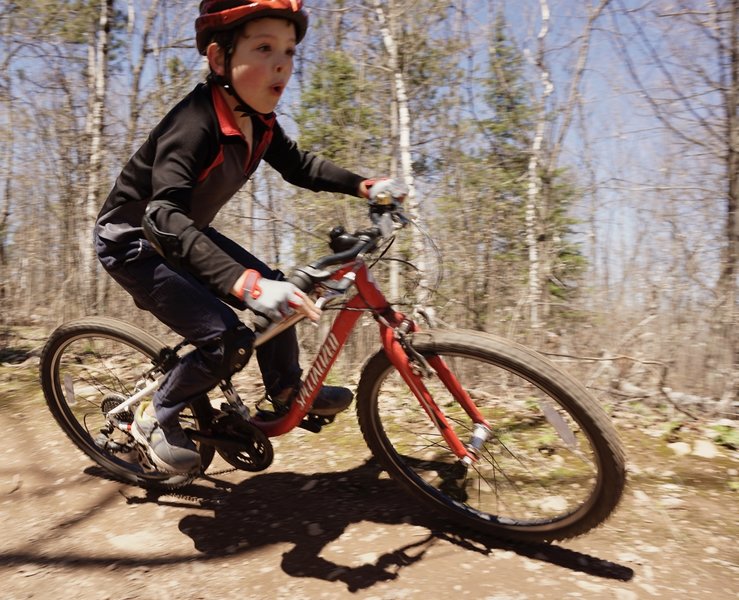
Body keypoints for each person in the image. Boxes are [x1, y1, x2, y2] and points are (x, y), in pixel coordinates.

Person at [94, 0, 380, 474]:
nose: (282, 63)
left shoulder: (258, 122)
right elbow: (162, 214)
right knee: (225, 339)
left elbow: (300, 166)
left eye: (289, 51)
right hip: (133, 244)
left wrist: (363, 185)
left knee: (279, 292)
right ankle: (154, 413)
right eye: (264, 48)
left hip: (182, 235)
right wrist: (246, 285)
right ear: (218, 59)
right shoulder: (194, 123)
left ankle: (286, 391)